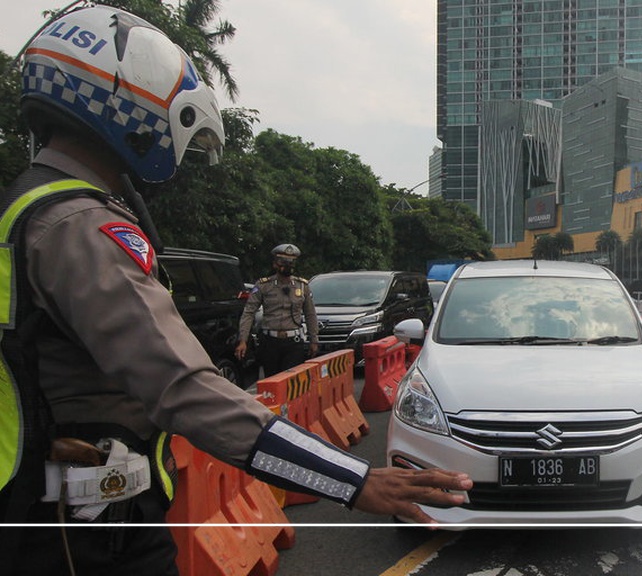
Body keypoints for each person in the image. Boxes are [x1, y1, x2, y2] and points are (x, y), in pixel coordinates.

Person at [0, 7, 470, 575]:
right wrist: (354, 477)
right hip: (81, 535)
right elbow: (183, 387)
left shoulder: (27, 210)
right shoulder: (78, 226)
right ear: (131, 109)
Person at [236, 244, 319, 376]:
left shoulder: (302, 286)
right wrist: (243, 340)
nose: (288, 265)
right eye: (283, 262)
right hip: (270, 342)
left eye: (291, 262)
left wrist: (314, 339)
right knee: (272, 381)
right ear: (275, 264)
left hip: (293, 342)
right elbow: (249, 312)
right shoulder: (264, 285)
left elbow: (310, 314)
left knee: (291, 382)